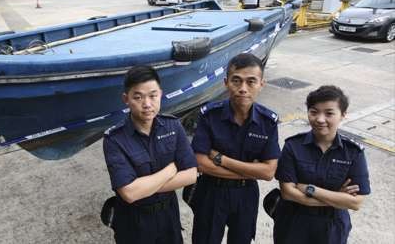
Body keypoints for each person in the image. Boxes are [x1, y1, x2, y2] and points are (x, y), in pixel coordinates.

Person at [191, 53, 281, 244]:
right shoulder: (209, 115)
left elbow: (268, 172)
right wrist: (251, 170)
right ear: (226, 82)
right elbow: (200, 163)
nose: (243, 89)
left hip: (246, 195)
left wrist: (221, 159)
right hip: (211, 193)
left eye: (251, 82)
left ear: (261, 84)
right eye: (236, 81)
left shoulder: (268, 122)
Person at [103, 65, 198, 244]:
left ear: (160, 94)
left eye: (153, 96)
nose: (147, 104)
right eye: (138, 97)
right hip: (133, 221)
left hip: (168, 216)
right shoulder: (114, 139)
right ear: (126, 99)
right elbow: (130, 194)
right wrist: (170, 170)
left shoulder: (173, 126)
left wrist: (143, 188)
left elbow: (191, 175)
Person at [274, 85, 371, 244]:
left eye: (329, 113)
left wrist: (310, 189)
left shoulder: (353, 152)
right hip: (293, 224)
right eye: (314, 112)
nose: (320, 119)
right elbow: (288, 193)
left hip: (332, 227)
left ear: (343, 115)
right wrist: (338, 198)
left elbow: (356, 202)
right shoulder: (293, 146)